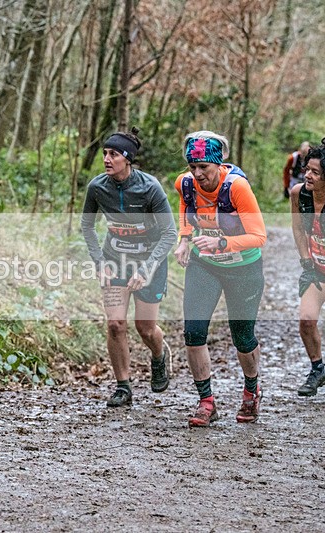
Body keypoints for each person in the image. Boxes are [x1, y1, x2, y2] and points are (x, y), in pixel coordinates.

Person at [174, 131, 266, 427]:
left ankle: (251, 392)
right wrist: (184, 239)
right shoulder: (185, 183)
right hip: (206, 265)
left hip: (243, 268)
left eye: (204, 167)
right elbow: (186, 207)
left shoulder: (236, 188)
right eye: (193, 167)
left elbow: (259, 236)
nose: (198, 174)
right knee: (194, 331)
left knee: (242, 336)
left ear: (218, 164)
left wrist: (223, 243)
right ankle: (206, 402)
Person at [80, 129, 177, 407]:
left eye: (113, 154)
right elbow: (87, 226)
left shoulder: (150, 188)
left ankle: (159, 355)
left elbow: (169, 233)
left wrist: (146, 269)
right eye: (104, 154)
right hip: (115, 261)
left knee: (145, 328)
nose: (106, 159)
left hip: (150, 262)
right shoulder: (97, 187)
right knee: (115, 325)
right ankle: (123, 386)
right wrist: (99, 262)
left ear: (128, 159)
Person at [290, 141, 325, 396]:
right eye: (307, 169)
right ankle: (317, 368)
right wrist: (305, 259)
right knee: (306, 320)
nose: (308, 175)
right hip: (316, 268)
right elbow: (298, 228)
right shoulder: (298, 194)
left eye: (316, 172)